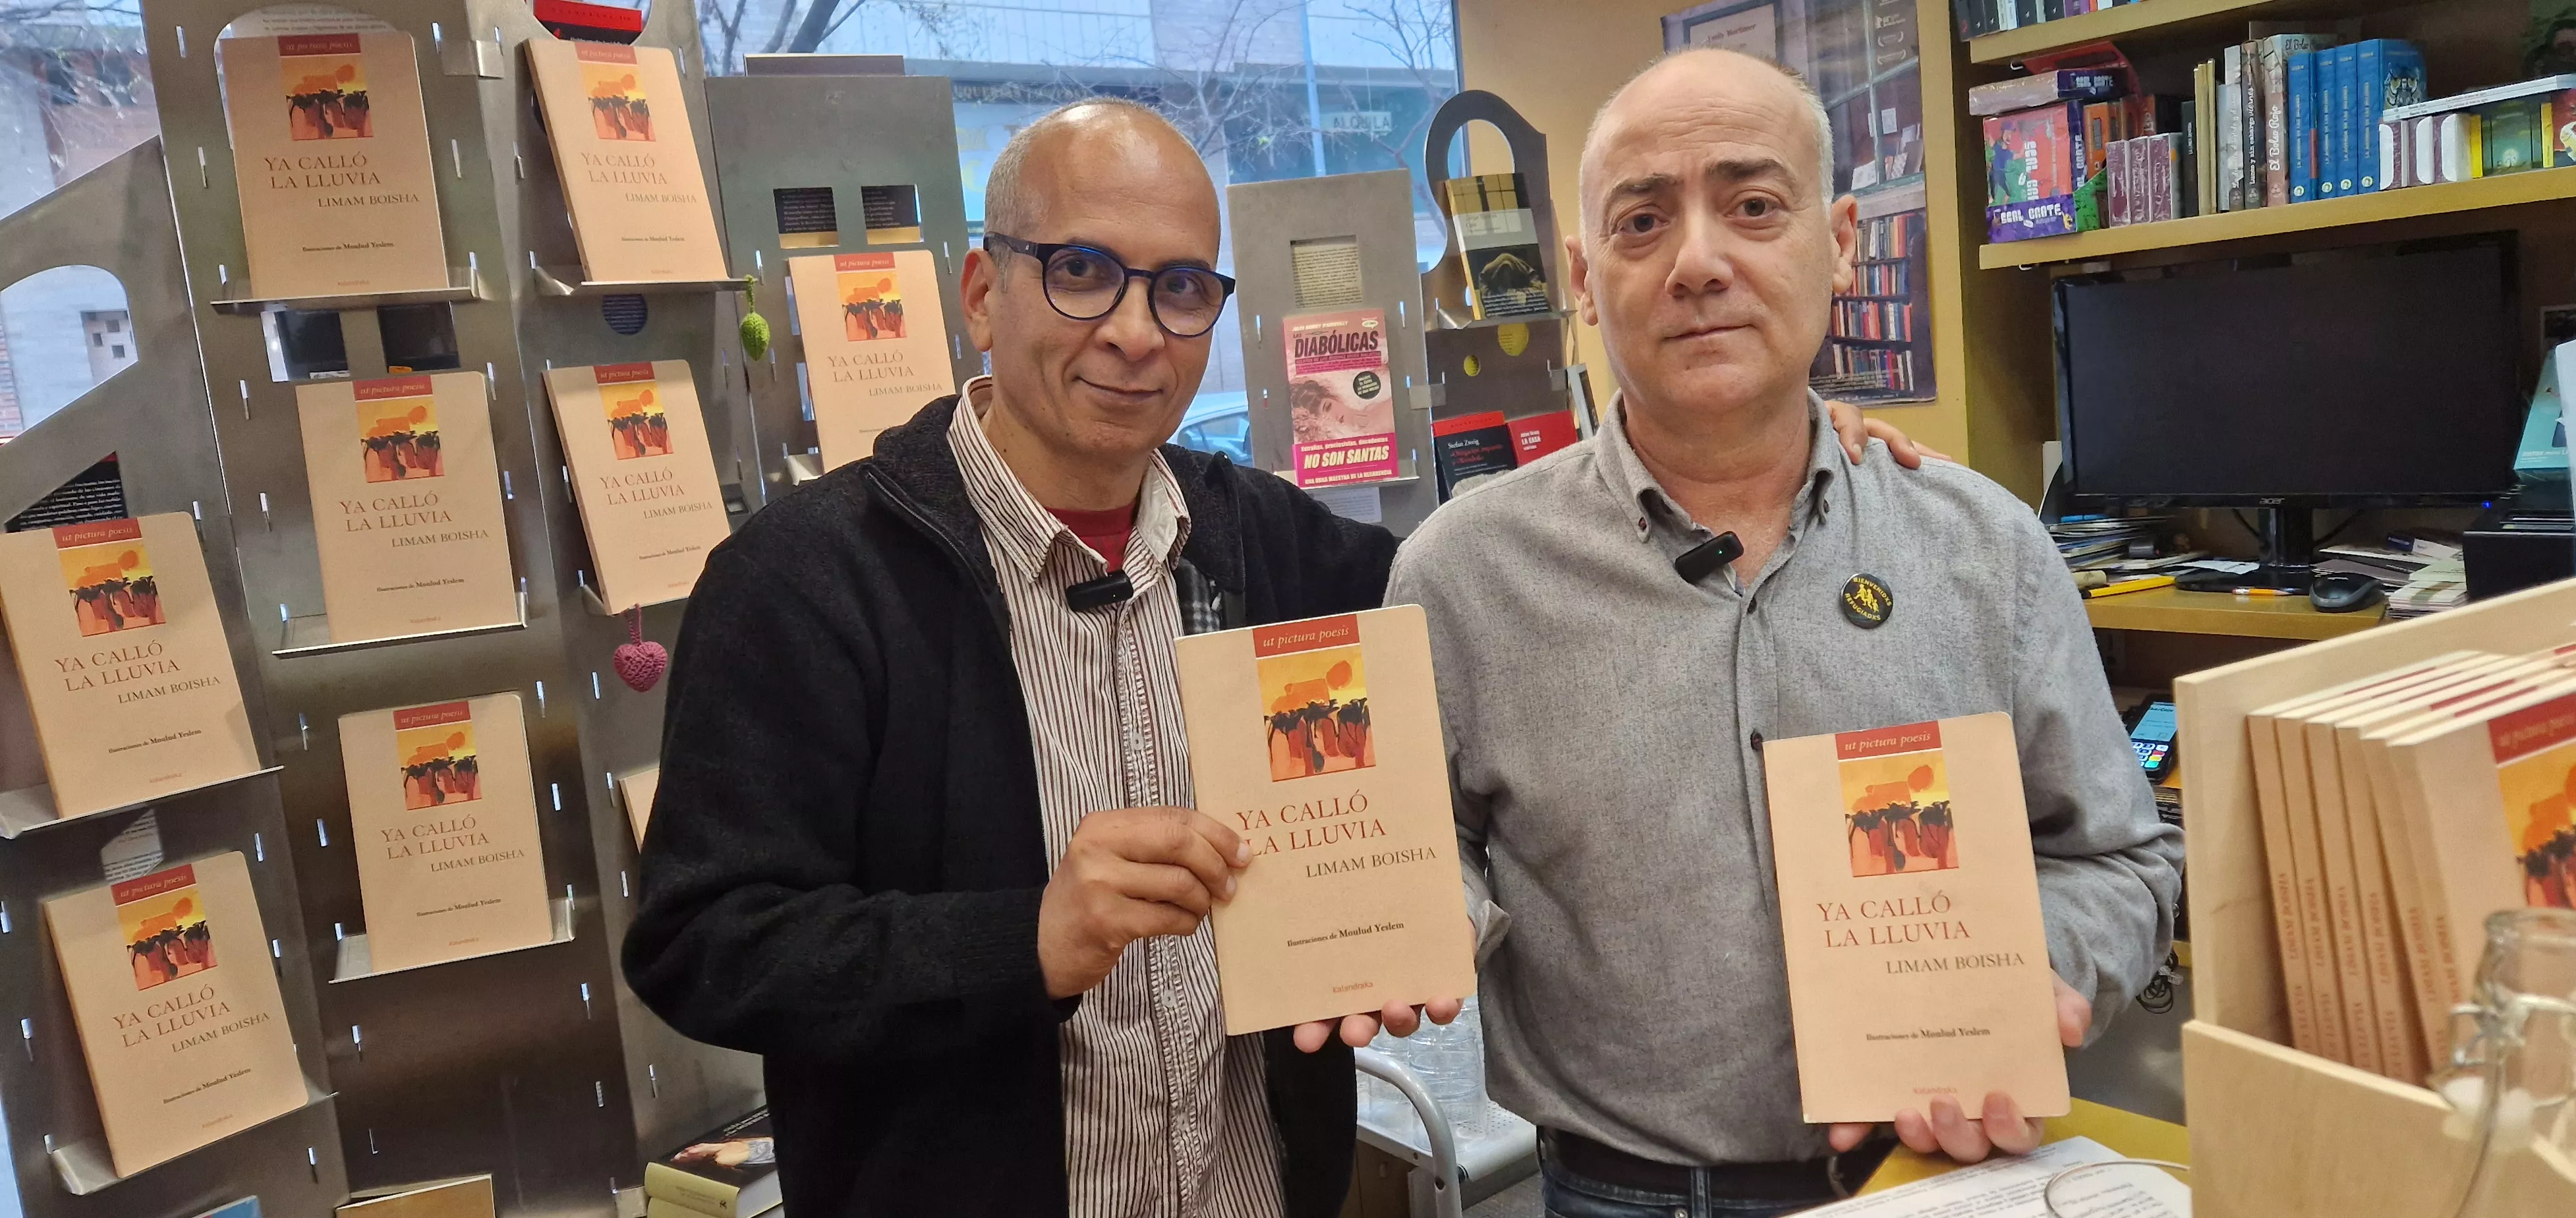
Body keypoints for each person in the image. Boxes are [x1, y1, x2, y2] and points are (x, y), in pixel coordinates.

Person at [621, 96, 1929, 1218]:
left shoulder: (1267, 548)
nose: (1135, 330)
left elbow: (1517, 602)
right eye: (1082, 270)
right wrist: (1017, 939)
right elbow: (704, 944)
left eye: (1182, 288)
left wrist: (1754, 449)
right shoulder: (804, 582)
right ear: (983, 289)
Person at [1387, 49, 2185, 1218]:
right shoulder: (1461, 575)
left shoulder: (1984, 549)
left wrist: (2035, 974)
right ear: (1581, 275)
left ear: (1842, 240)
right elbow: (1432, 841)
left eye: (1753, 207)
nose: (1699, 262)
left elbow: (2119, 857)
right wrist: (1410, 918)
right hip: (1620, 1195)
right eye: (1642, 221)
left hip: (1945, 1181)